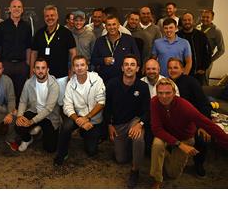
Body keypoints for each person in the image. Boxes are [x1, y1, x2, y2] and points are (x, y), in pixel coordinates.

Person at [150, 78, 228, 188]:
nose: (163, 96)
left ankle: (163, 156)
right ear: (156, 93)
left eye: (168, 93)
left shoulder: (185, 106)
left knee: (172, 174)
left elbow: (209, 125)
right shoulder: (154, 102)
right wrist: (179, 145)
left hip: (185, 137)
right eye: (160, 93)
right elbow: (156, 129)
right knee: (157, 145)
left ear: (174, 93)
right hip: (166, 135)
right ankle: (157, 179)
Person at [104, 55, 150, 188]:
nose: (129, 67)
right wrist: (109, 125)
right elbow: (107, 107)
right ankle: (128, 146)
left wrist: (140, 124)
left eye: (132, 64)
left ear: (138, 68)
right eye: (126, 64)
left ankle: (135, 170)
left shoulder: (142, 86)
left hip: (134, 121)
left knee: (138, 137)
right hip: (118, 123)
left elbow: (147, 110)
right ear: (122, 68)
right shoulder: (112, 84)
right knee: (121, 159)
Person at [54, 55, 105, 166]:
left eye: (82, 65)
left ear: (87, 66)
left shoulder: (97, 80)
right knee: (66, 126)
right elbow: (67, 106)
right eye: (76, 65)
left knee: (92, 151)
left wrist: (87, 118)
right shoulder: (70, 84)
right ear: (73, 68)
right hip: (78, 117)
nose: (79, 68)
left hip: (93, 118)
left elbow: (101, 102)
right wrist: (78, 120)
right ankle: (62, 154)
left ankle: (85, 132)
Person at [167, 57, 212, 177]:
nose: (172, 70)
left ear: (182, 69)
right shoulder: (166, 83)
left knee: (201, 139)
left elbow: (204, 105)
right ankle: (171, 160)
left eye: (175, 67)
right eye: (170, 68)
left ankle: (198, 164)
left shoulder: (191, 82)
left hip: (193, 121)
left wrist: (203, 126)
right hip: (173, 122)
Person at [30, 5, 77, 106]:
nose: (49, 18)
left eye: (52, 15)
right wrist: (31, 73)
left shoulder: (66, 33)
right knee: (43, 103)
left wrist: (72, 72)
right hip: (42, 76)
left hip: (61, 77)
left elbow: (73, 53)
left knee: (61, 104)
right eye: (47, 16)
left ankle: (59, 121)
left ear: (57, 16)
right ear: (44, 17)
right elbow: (33, 54)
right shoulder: (39, 33)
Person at [15, 58, 61, 153]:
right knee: (18, 125)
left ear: (47, 70)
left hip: (49, 116)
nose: (40, 71)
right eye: (38, 68)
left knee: (50, 149)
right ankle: (28, 139)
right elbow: (23, 101)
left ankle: (39, 128)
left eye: (43, 68)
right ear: (34, 70)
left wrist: (32, 122)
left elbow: (48, 109)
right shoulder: (28, 83)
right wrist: (19, 116)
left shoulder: (54, 85)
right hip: (34, 111)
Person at [0, 0, 32, 104]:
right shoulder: (1, 26)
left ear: (22, 10)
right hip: (6, 64)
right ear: (9, 9)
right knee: (5, 93)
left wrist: (27, 65)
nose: (16, 9)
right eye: (14, 6)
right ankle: (7, 115)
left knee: (20, 93)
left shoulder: (27, 26)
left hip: (21, 65)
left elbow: (29, 47)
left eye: (19, 7)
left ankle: (19, 115)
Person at [91, 15, 140, 84]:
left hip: (124, 79)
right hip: (104, 80)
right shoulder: (100, 41)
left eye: (114, 24)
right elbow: (93, 60)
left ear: (119, 25)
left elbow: (137, 58)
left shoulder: (129, 39)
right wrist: (103, 60)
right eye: (109, 25)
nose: (112, 27)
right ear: (105, 27)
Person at [178, 12, 211, 85]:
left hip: (197, 74)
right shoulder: (177, 35)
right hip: (180, 73)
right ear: (181, 22)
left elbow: (208, 52)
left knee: (196, 94)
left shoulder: (201, 35)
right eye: (184, 20)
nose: (187, 22)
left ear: (193, 21)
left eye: (189, 20)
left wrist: (203, 68)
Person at [197, 9, 225, 85]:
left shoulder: (216, 31)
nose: (205, 19)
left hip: (206, 61)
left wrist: (210, 60)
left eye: (207, 17)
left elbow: (221, 50)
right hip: (195, 61)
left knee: (203, 82)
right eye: (203, 17)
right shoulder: (197, 28)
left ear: (212, 18)